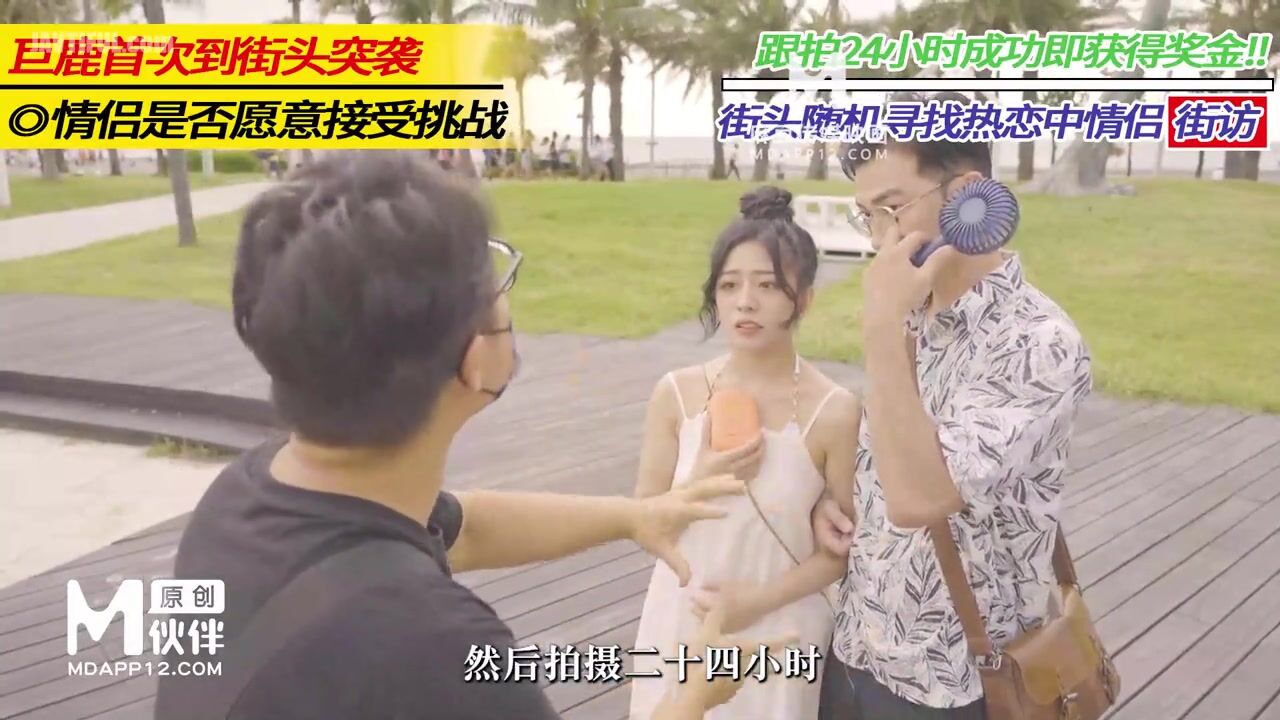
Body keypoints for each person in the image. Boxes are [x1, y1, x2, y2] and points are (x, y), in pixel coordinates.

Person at [152, 152, 785, 720]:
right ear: (474, 359)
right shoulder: (433, 649)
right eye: (494, 281)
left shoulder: (241, 498)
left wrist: (633, 517)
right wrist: (693, 694)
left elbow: (466, 528)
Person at [813, 92, 1094, 719]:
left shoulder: (1037, 342)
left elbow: (920, 499)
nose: (879, 240)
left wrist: (880, 330)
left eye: (891, 210)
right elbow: (887, 466)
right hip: (857, 641)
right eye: (866, 217)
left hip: (955, 678)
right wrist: (834, 502)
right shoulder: (915, 311)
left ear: (967, 193)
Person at [629, 186, 862, 720]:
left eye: (768, 285)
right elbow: (642, 522)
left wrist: (753, 603)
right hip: (681, 616)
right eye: (730, 285)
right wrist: (700, 479)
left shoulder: (834, 410)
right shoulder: (676, 394)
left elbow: (841, 551)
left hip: (780, 634)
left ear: (804, 299)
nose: (745, 302)